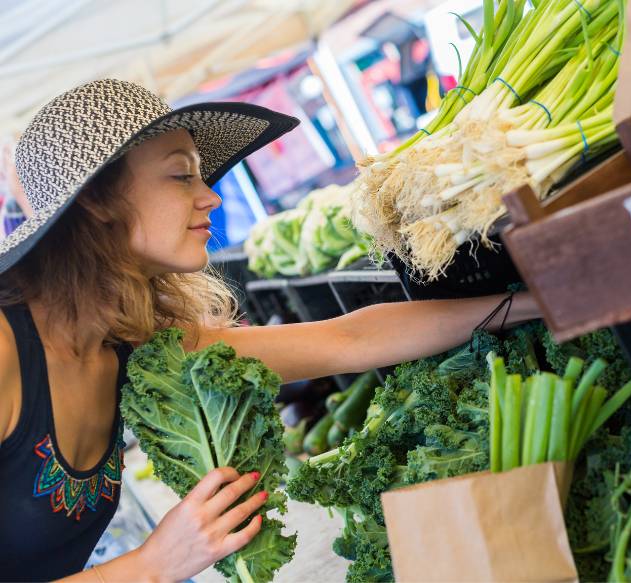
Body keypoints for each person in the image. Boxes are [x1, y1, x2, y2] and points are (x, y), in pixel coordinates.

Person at [0, 79, 540, 581]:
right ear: (97, 203)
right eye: (181, 173)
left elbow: (346, 342)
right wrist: (153, 565)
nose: (210, 195)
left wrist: (529, 304)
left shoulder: (129, 345)